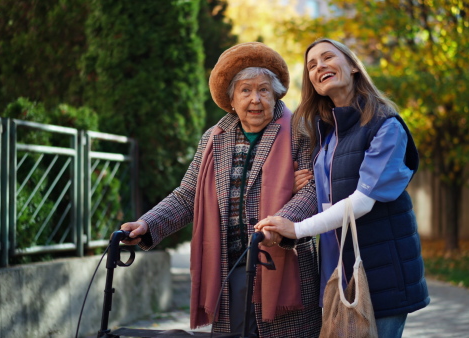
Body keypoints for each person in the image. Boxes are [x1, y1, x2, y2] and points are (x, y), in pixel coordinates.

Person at [119, 42, 322, 338]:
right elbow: (188, 195)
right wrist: (147, 224)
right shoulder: (215, 139)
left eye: (264, 90)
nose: (255, 99)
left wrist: (281, 222)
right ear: (232, 98)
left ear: (276, 93)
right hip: (230, 265)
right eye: (245, 90)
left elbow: (312, 189)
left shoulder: (299, 131)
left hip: (281, 262)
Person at [255, 38, 430, 338]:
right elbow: (328, 195)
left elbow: (362, 202)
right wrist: (306, 186)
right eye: (311, 65)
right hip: (339, 272)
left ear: (352, 66)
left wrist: (295, 229)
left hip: (381, 272)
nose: (319, 66)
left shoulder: (385, 125)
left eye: (327, 57)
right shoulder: (326, 134)